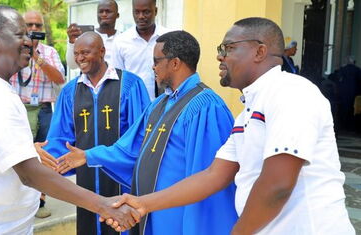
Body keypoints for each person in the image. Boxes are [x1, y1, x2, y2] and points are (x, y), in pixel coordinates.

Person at [111, 17, 356, 235]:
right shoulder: (247, 112)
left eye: (228, 48)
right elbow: (213, 175)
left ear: (259, 51)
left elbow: (277, 185)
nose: (220, 56)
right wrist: (144, 204)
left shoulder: (291, 92)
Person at [0, 5, 139, 234]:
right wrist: (103, 205)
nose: (29, 41)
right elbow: (29, 173)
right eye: (20, 34)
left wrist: (30, 150)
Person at [53, 30, 238, 235]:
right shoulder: (159, 104)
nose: (153, 67)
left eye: (156, 61)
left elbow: (212, 182)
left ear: (175, 63)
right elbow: (130, 149)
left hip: (180, 219)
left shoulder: (205, 107)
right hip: (151, 211)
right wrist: (88, 155)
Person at [39, 31, 150, 235]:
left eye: (86, 52)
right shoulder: (70, 91)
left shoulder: (131, 85)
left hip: (122, 179)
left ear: (102, 52)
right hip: (86, 182)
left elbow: (141, 136)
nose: (80, 58)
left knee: (124, 225)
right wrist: (47, 160)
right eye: (77, 53)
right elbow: (60, 137)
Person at [9, 9, 65, 219]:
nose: (33, 29)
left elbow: (59, 78)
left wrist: (37, 58)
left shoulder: (49, 51)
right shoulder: (12, 48)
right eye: (29, 25)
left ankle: (40, 202)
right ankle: (17, 202)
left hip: (43, 110)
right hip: (18, 109)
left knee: (43, 157)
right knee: (17, 155)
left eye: (37, 26)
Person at [112, 0, 171, 100]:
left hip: (166, 103)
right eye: (137, 12)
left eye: (146, 12)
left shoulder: (169, 37)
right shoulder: (121, 41)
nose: (141, 16)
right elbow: (118, 79)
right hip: (134, 105)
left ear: (155, 11)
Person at [66, 0, 120, 69]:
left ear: (117, 15)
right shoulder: (85, 37)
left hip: (117, 79)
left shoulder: (124, 38)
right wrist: (71, 42)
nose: (104, 14)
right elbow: (72, 66)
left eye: (108, 11)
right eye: (101, 11)